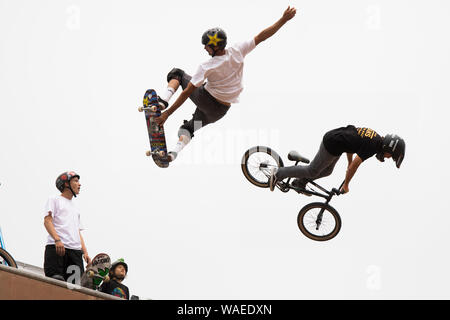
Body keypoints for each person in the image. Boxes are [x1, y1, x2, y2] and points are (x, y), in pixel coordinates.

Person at [154, 6, 297, 162]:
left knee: (177, 74)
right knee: (188, 128)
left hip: (207, 99)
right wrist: (283, 20)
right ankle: (173, 154)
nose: (204, 48)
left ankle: (162, 102)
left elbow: (187, 92)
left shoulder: (207, 66)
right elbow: (262, 36)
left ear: (214, 46)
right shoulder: (238, 50)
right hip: (220, 111)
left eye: (206, 45)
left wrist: (167, 114)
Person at [269, 125, 406, 194]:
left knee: (328, 171)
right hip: (332, 144)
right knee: (312, 170)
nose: (387, 158)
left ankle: (300, 182)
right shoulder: (373, 146)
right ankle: (278, 173)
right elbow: (355, 166)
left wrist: (349, 163)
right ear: (388, 148)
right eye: (390, 155)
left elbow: (351, 144)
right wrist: (346, 184)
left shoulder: (375, 137)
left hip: (336, 142)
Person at [43, 171, 91, 282]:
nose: (79, 184)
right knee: (55, 282)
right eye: (76, 181)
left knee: (74, 288)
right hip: (57, 248)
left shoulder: (76, 207)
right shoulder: (54, 199)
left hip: (75, 253)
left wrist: (85, 252)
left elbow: (78, 232)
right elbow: (47, 221)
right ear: (66, 184)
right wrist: (57, 240)